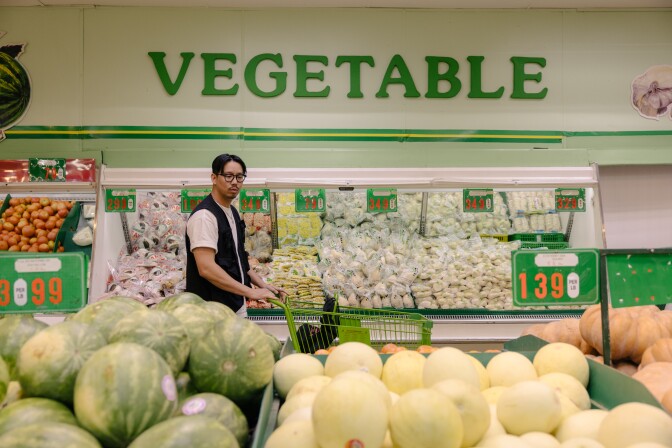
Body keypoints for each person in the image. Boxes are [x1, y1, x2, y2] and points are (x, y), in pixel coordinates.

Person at [185, 153, 285, 316]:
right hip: (210, 312)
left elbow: (239, 259)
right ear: (214, 178)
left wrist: (262, 285)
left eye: (239, 177)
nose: (234, 182)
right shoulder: (205, 216)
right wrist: (250, 292)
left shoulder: (232, 212)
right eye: (228, 176)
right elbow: (206, 268)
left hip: (232, 305)